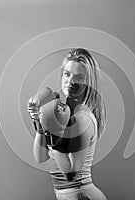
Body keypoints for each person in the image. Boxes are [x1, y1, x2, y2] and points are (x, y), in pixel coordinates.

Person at [27, 48, 108, 200]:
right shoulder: (62, 112)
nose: (70, 82)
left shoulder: (81, 119)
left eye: (79, 77)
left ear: (89, 82)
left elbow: (71, 174)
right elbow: (41, 157)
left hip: (82, 195)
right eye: (67, 74)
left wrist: (55, 139)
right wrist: (39, 122)